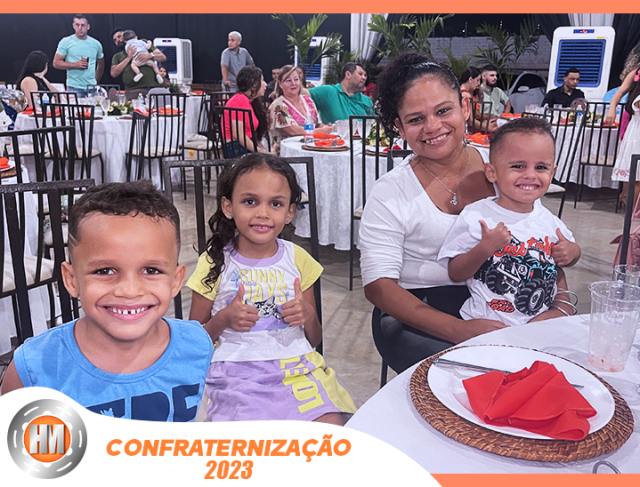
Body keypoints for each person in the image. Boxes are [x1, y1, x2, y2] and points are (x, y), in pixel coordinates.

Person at [358, 52, 581, 373]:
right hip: (419, 309)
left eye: (443, 110)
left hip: (508, 298)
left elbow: (539, 236)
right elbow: (378, 285)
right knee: (480, 372)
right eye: (416, 119)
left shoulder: (505, 166)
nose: (432, 127)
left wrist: (560, 302)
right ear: (400, 128)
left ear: (464, 106)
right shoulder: (391, 191)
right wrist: (459, 330)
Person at [0, 181, 214, 421]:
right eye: (104, 271)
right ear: (72, 280)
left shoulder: (197, 345)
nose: (129, 291)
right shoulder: (34, 369)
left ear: (176, 280)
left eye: (151, 270)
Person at [186, 154, 356, 423]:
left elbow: (313, 339)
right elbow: (192, 343)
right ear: (228, 206)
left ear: (289, 212)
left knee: (329, 433)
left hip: (296, 368)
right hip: (236, 374)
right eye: (250, 201)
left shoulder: (298, 260)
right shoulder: (213, 262)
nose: (263, 214)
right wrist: (223, 319)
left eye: (275, 204)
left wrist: (308, 315)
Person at [438, 117, 576, 326]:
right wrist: (485, 248)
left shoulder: (550, 222)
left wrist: (573, 252)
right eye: (518, 166)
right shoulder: (477, 215)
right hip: (488, 326)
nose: (530, 175)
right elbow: (455, 273)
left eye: (541, 167)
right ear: (492, 172)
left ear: (553, 172)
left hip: (541, 326)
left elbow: (569, 257)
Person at [268, 64, 332, 149]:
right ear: (280, 84)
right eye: (288, 80)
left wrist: (326, 128)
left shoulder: (308, 100)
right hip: (287, 152)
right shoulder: (278, 105)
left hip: (312, 148)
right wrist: (320, 131)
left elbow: (318, 124)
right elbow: (292, 131)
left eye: (296, 79)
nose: (293, 83)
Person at [222, 65, 270, 157]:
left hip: (243, 146)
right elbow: (239, 135)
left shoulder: (249, 101)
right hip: (236, 149)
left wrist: (263, 150)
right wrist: (260, 151)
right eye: (262, 80)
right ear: (254, 84)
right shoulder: (239, 100)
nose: (265, 84)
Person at [53, 14, 104, 97]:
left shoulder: (96, 44)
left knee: (95, 106)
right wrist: (75, 65)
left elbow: (101, 63)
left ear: (88, 26)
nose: (80, 28)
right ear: (73, 26)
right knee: (75, 106)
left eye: (83, 25)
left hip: (92, 87)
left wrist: (96, 80)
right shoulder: (66, 42)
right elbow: (56, 63)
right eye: (77, 25)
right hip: (74, 86)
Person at [111, 27, 167, 100]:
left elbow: (162, 57)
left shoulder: (142, 42)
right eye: (115, 40)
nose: (118, 40)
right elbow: (113, 73)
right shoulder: (117, 56)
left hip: (154, 88)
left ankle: (158, 75)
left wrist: (149, 55)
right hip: (133, 91)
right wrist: (129, 57)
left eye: (119, 37)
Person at [309, 62, 374, 124]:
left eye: (365, 75)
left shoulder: (366, 100)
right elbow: (304, 94)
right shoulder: (329, 91)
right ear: (348, 74)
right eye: (360, 74)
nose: (364, 78)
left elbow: (374, 125)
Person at [612, 69, 640, 196]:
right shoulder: (635, 73)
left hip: (635, 130)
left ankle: (627, 200)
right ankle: (628, 202)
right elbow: (619, 92)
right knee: (636, 176)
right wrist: (612, 108)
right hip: (636, 132)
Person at [459, 66, 496, 133]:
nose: (479, 84)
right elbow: (471, 121)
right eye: (477, 80)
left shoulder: (459, 91)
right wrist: (490, 128)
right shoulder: (466, 95)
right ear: (470, 79)